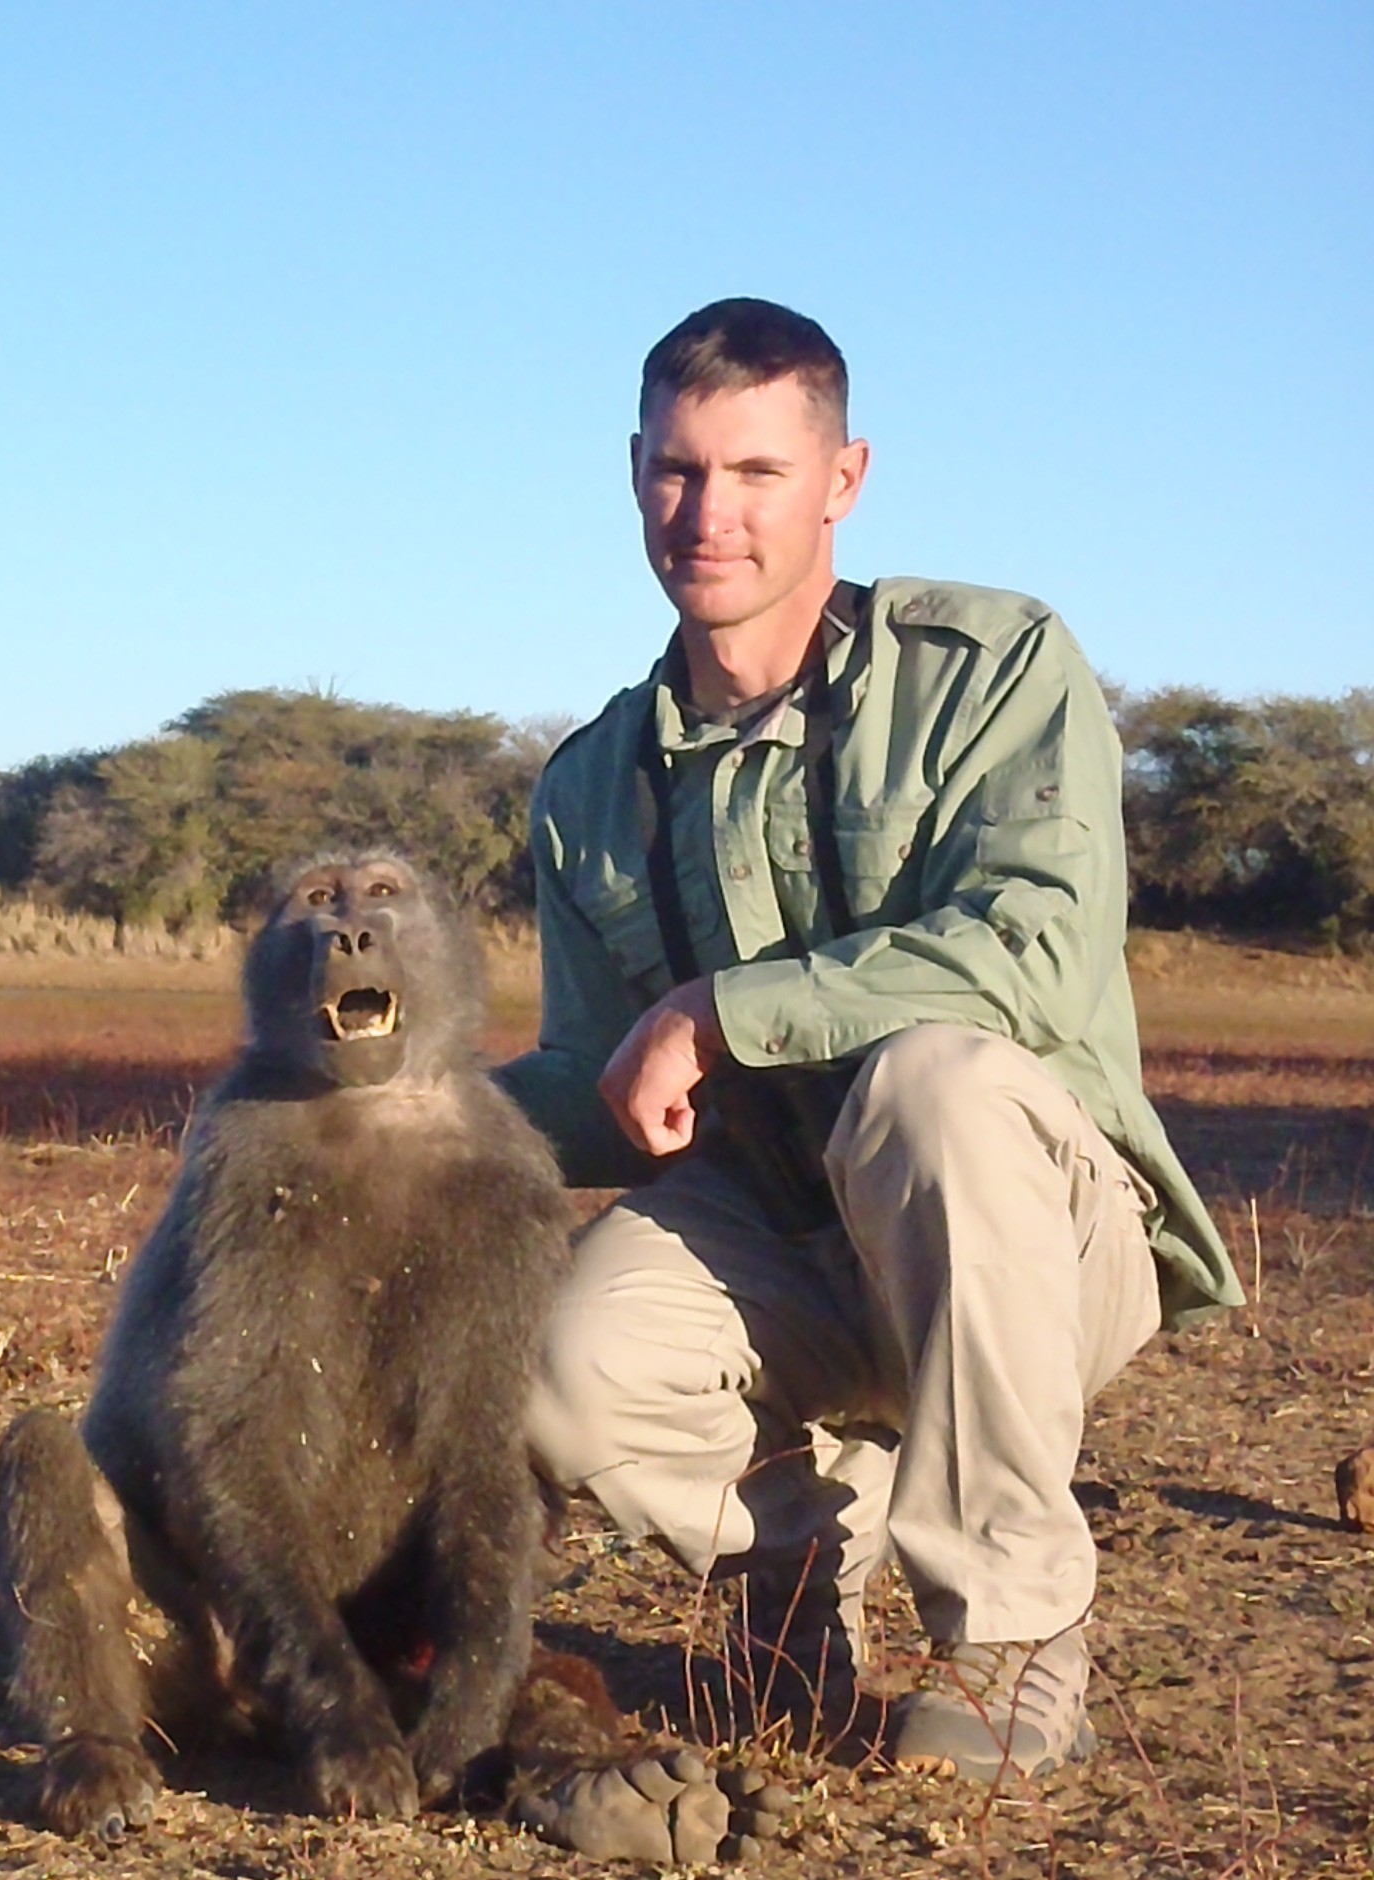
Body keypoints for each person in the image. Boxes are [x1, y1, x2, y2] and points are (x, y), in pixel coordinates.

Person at [497, 298, 1241, 1781]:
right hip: (783, 1240)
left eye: (757, 472)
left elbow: (1029, 957)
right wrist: (371, 1136)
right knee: (554, 1366)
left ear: (843, 478)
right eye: (677, 471)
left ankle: (1013, 1656)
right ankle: (792, 1585)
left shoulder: (993, 666)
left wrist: (716, 1009)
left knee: (939, 1084)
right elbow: (599, 1089)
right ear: (632, 470)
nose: (709, 514)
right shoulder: (591, 781)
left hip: (1035, 1234)